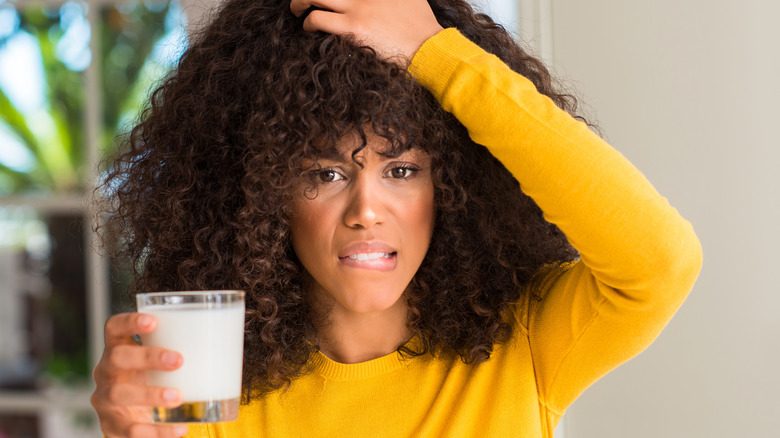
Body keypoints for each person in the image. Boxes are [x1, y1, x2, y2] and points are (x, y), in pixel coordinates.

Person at [90, 0, 703, 436]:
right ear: (261, 195)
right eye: (325, 174)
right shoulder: (210, 387)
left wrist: (435, 54)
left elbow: (660, 262)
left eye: (402, 171)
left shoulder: (525, 341)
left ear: (453, 185)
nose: (366, 211)